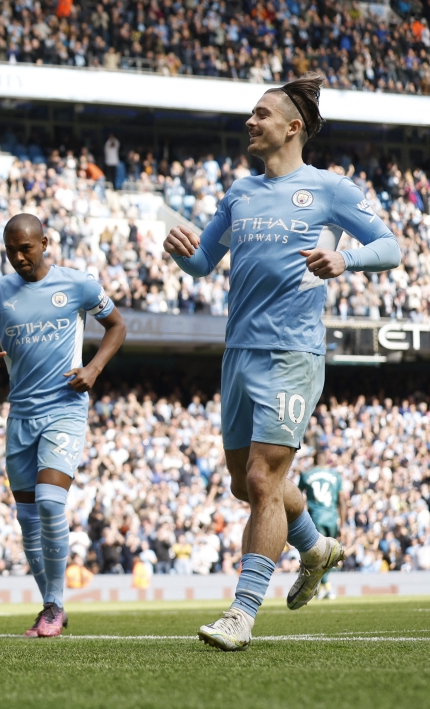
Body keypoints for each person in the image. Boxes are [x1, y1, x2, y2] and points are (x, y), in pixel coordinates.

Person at [163, 73, 401, 651]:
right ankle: (315, 547)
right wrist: (184, 256)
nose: (251, 121)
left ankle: (241, 616)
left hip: (292, 351)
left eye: (261, 114)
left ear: (293, 127)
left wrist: (346, 260)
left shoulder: (330, 189)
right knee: (247, 487)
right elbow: (204, 264)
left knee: (263, 477)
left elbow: (390, 246)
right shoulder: (239, 193)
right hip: (238, 352)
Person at [0, 213, 126, 638]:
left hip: (65, 408)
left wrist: (93, 368)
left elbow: (117, 325)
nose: (18, 256)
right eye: (11, 250)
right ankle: (49, 605)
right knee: (27, 518)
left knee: (51, 503)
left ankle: (55, 605)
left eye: (26, 248)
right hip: (20, 414)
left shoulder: (78, 284)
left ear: (45, 243)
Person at [298, 448, 346, 600]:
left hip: (316, 518)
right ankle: (324, 586)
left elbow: (296, 497)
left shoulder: (306, 475)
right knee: (329, 557)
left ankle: (324, 587)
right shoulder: (336, 476)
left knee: (320, 556)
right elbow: (342, 501)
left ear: (314, 460)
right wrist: (343, 524)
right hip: (332, 519)